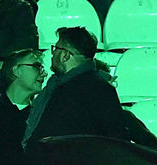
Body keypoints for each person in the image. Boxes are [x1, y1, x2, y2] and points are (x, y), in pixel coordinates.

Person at [22, 27, 128, 158]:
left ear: (65, 55)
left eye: (55, 49)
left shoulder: (86, 89)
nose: (53, 54)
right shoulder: (96, 87)